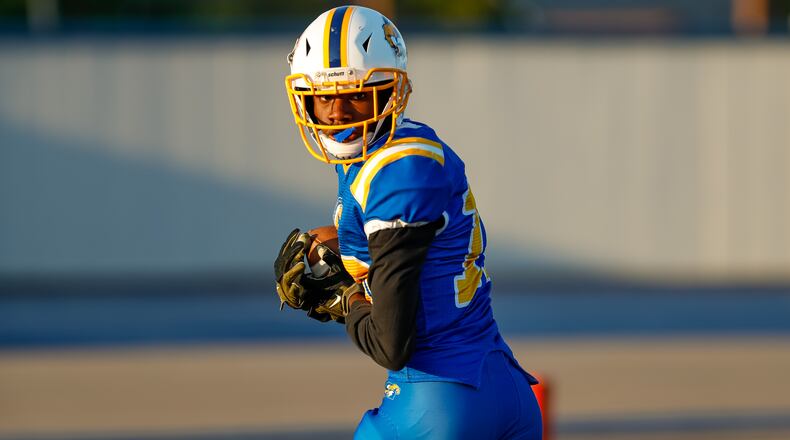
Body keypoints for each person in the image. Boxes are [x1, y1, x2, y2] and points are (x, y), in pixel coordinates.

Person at [274, 5, 543, 439]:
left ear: (389, 91)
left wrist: (346, 302)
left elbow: (390, 344)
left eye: (356, 94)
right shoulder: (399, 148)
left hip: (439, 402)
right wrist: (339, 249)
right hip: (499, 383)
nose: (339, 113)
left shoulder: (394, 170)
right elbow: (420, 256)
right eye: (325, 97)